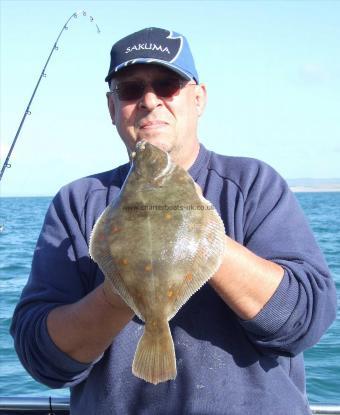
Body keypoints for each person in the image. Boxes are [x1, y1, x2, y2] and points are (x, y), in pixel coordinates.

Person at [11, 27, 336, 415]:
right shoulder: (77, 203)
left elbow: (305, 319)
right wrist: (120, 291)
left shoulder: (254, 185)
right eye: (130, 89)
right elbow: (42, 358)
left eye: (167, 85)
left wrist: (204, 235)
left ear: (198, 99)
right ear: (112, 107)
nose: (150, 101)